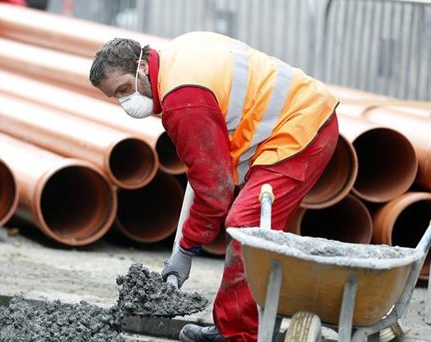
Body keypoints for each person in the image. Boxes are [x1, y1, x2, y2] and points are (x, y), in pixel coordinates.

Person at [89, 32, 339, 341]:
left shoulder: (182, 99)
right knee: (251, 229)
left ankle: (240, 335)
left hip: (302, 129)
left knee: (246, 227)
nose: (125, 101)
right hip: (294, 120)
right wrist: (186, 245)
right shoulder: (174, 59)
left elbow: (215, 193)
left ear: (141, 67)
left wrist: (185, 248)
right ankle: (234, 328)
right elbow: (206, 171)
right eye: (116, 96)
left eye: (125, 89)